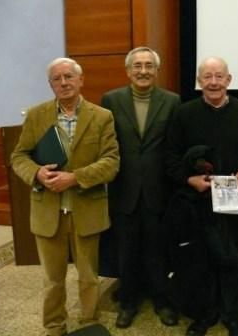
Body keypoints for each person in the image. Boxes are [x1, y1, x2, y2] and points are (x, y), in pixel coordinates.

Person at [11, 57, 120, 336]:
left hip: (87, 210)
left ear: (81, 80)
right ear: (50, 85)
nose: (64, 83)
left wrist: (75, 178)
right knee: (52, 279)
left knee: (88, 278)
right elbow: (19, 156)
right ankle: (54, 327)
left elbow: (111, 161)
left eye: (69, 76)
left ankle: (89, 324)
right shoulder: (36, 115)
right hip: (48, 212)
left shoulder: (101, 116)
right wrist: (36, 174)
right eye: (57, 79)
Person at [165, 57, 238, 336]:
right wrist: (189, 179)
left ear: (229, 80)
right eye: (207, 76)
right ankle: (205, 315)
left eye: (219, 76)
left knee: (231, 259)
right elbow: (169, 156)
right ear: (199, 81)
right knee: (200, 261)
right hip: (196, 201)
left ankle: (231, 315)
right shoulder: (183, 113)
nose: (213, 82)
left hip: (232, 199)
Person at [100, 46, 180, 328]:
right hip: (125, 190)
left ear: (157, 71)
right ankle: (128, 303)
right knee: (126, 251)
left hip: (160, 190)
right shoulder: (110, 100)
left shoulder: (172, 101)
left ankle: (162, 301)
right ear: (128, 70)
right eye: (138, 66)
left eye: (149, 66)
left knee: (159, 251)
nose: (143, 71)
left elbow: (174, 147)